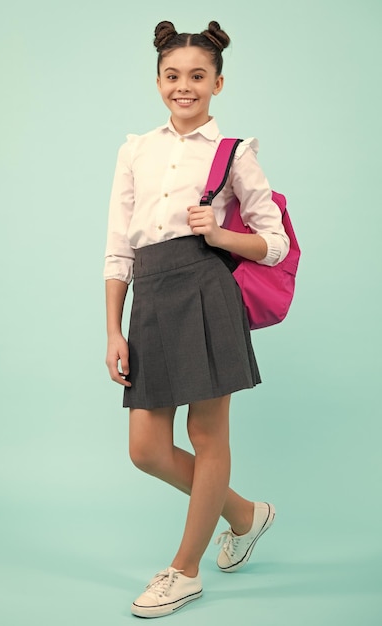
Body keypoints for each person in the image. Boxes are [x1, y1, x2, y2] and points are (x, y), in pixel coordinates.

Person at [104, 20, 289, 619]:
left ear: (218, 83)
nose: (184, 87)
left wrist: (225, 234)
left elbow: (276, 243)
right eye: (173, 76)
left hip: (208, 293)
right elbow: (118, 247)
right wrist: (113, 328)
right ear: (158, 80)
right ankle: (244, 514)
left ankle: (185, 571)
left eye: (198, 77)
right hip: (151, 297)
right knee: (147, 449)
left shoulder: (234, 154)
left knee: (208, 438)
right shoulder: (136, 149)